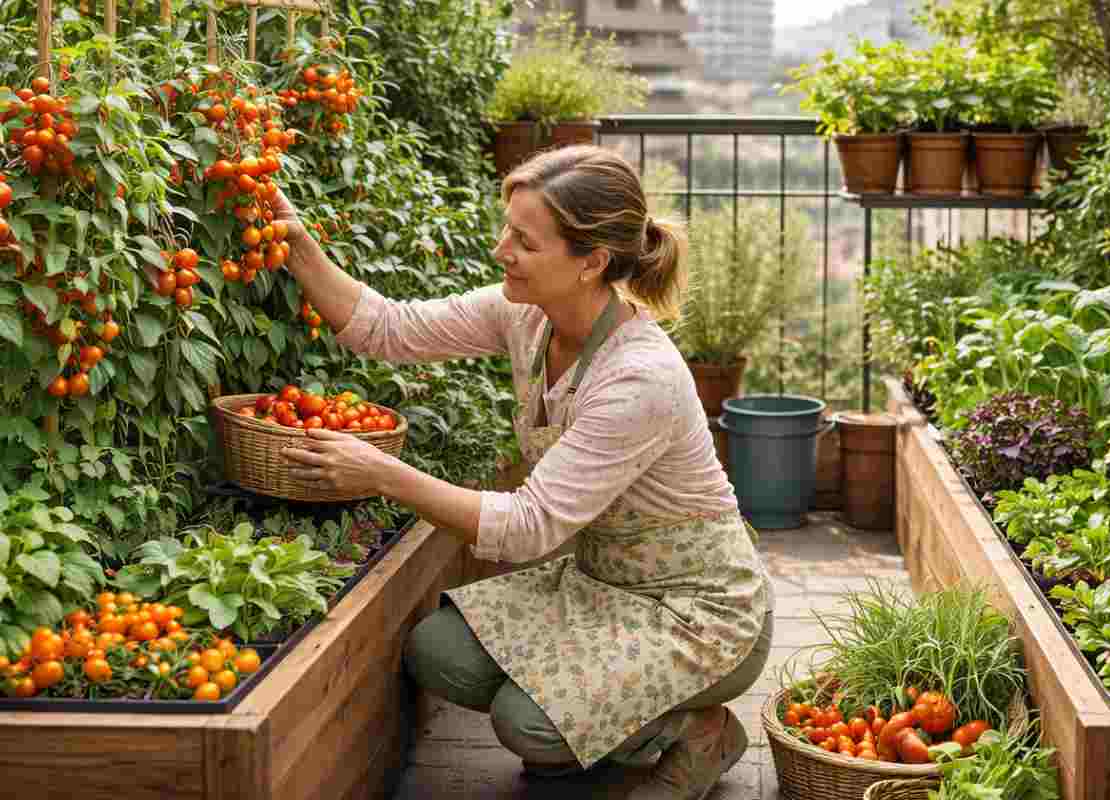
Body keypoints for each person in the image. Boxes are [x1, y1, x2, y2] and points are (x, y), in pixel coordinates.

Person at [276, 145, 773, 800]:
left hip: (698, 611)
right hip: (604, 586)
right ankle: (604, 726)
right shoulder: (526, 315)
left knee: (527, 723)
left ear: (591, 261)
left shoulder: (637, 378)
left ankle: (695, 732)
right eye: (508, 227)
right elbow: (388, 329)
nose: (500, 248)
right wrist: (295, 240)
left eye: (524, 240)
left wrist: (382, 474)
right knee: (438, 653)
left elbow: (530, 527)